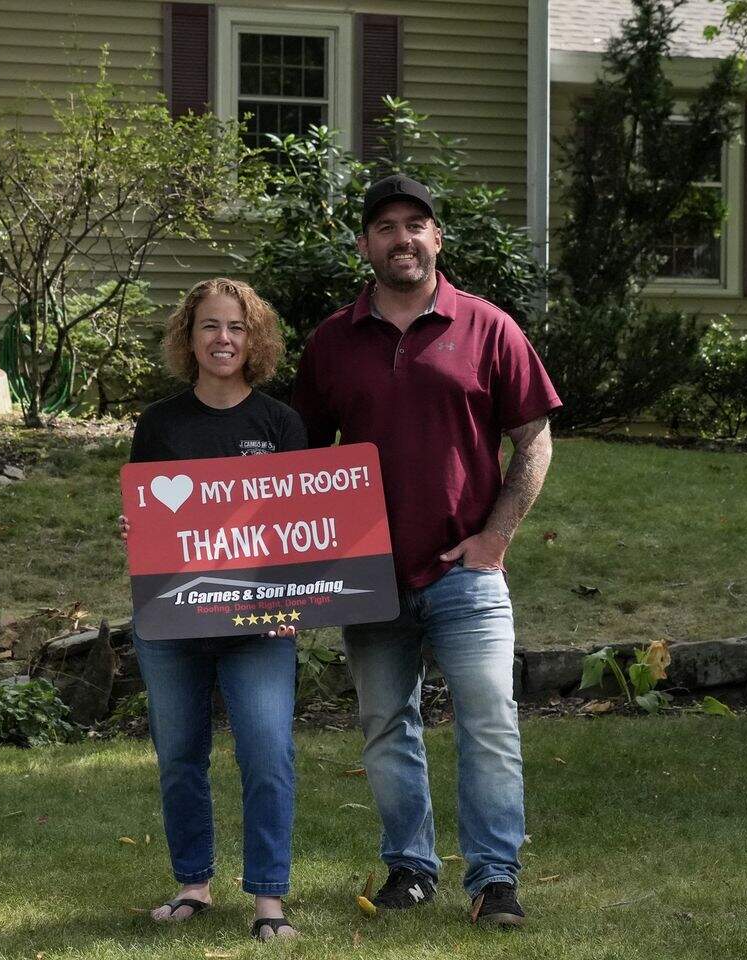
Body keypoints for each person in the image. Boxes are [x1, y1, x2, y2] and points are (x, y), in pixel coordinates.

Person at [291, 174, 561, 928]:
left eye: (415, 224)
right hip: (368, 578)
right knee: (386, 728)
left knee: (489, 722)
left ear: (437, 238)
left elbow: (535, 439)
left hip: (465, 574)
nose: (401, 238)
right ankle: (410, 869)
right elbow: (297, 461)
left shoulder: (489, 327)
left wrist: (496, 536)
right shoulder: (332, 341)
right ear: (364, 246)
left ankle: (495, 879)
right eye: (385, 227)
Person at [123, 277, 306, 942]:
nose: (223, 338)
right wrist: (134, 529)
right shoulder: (160, 424)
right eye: (209, 325)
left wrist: (295, 595)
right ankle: (193, 884)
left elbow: (303, 525)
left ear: (254, 339)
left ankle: (269, 900)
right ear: (188, 336)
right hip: (173, 618)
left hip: (259, 620)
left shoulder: (280, 424)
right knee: (180, 757)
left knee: (267, 754)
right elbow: (146, 512)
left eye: (236, 326)